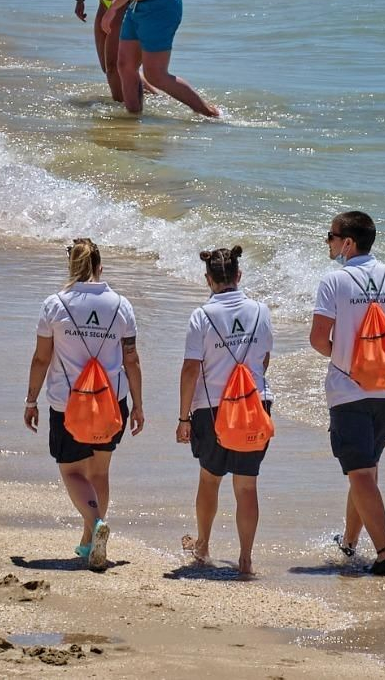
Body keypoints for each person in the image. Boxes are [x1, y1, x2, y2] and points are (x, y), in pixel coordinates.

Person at [308, 211, 385, 576]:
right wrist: (382, 356)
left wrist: (349, 357)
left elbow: (318, 339)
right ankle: (349, 543)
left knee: (359, 473)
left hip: (349, 389)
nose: (327, 242)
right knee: (366, 471)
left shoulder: (334, 281)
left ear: (348, 243)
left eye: (331, 236)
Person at [25, 238, 145, 569]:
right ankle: (90, 541)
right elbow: (132, 359)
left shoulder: (54, 305)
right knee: (99, 471)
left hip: (67, 404)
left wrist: (31, 400)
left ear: (71, 266)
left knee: (72, 471)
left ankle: (95, 525)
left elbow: (41, 358)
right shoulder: (121, 305)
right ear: (100, 267)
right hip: (111, 402)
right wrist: (138, 405)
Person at [176, 245, 273, 577]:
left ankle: (203, 546)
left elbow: (191, 369)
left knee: (209, 479)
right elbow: (263, 360)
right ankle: (245, 559)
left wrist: (183, 418)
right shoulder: (261, 311)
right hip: (254, 404)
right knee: (246, 486)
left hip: (212, 409)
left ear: (208, 280)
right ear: (238, 275)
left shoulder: (201, 316)